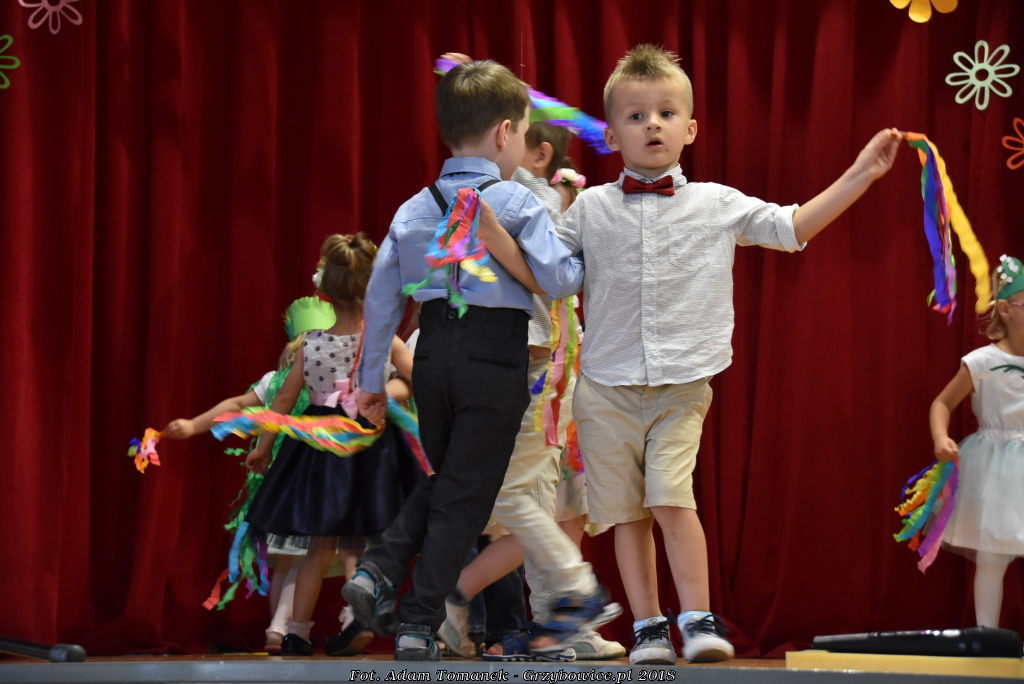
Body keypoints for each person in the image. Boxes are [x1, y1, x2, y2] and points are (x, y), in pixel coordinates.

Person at [557, 44, 901, 665]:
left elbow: (791, 227)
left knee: (670, 497)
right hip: (604, 387)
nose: (653, 125)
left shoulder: (716, 203)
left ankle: (698, 619)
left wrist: (860, 175)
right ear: (610, 136)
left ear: (690, 129)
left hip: (683, 384)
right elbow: (546, 268)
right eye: (636, 116)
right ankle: (649, 628)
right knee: (625, 515)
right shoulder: (590, 209)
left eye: (666, 113)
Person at [346, 59, 604, 662]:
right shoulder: (515, 200)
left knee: (451, 483)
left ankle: (381, 572)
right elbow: (560, 280)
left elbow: (382, 301)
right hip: (493, 355)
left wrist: (370, 381)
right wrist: (589, 253)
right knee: (464, 496)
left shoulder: (413, 207)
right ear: (505, 133)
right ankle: (415, 619)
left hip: (433, 351)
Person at [436, 119, 623, 662]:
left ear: (537, 154)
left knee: (564, 505)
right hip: (531, 374)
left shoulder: (543, 202)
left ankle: (556, 619)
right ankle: (539, 610)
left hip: (560, 379)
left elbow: (563, 283)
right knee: (531, 503)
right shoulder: (509, 197)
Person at [243, 233, 418, 656]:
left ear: (323, 290)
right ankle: (355, 620)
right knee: (358, 542)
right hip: (366, 448)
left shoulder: (311, 344)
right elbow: (415, 378)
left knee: (318, 549)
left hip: (319, 449)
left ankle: (296, 633)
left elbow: (283, 402)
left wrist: (263, 448)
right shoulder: (381, 338)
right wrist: (380, 394)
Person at [163, 296, 336, 654]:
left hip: (286, 485)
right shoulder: (313, 381)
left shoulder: (281, 381)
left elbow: (239, 405)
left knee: (289, 560)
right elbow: (239, 405)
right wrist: (194, 425)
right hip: (308, 483)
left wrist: (194, 424)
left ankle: (278, 629)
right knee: (305, 557)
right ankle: (283, 628)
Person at [929, 254, 1024, 628]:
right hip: (995, 468)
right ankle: (987, 637)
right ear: (1006, 308)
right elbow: (942, 402)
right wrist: (941, 438)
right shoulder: (982, 361)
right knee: (991, 556)